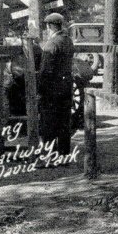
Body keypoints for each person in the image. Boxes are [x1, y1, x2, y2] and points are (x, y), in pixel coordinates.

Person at [38, 12, 74, 154]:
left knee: (49, 122)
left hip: (52, 88)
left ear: (50, 26)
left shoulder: (51, 44)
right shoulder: (67, 40)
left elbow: (45, 71)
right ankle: (64, 154)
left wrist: (40, 91)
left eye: (47, 26)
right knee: (64, 121)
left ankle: (49, 155)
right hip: (66, 85)